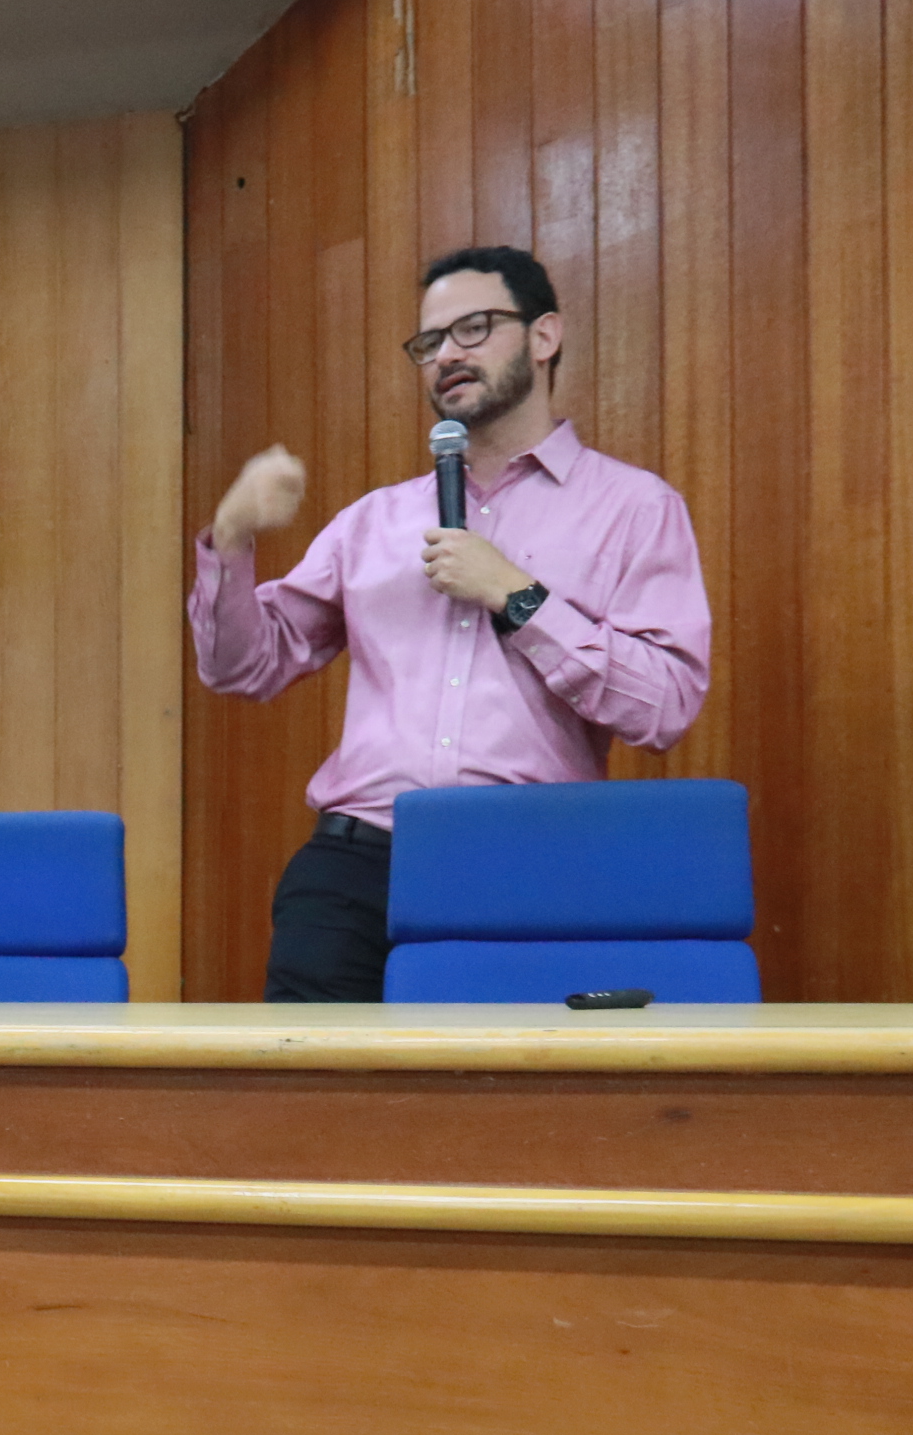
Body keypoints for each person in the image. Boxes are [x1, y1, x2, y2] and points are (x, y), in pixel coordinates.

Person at [190, 245, 713, 1001]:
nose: (446, 357)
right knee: (307, 1078)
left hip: (531, 863)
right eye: (430, 342)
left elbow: (665, 705)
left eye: (473, 329)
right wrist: (232, 536)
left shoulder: (635, 509)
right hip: (357, 866)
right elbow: (243, 667)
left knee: (500, 1082)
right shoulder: (372, 521)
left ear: (544, 335)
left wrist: (518, 597)